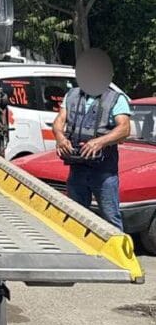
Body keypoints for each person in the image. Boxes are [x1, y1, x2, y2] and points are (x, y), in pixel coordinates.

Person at [51, 49, 130, 230]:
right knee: (76, 217)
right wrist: (60, 138)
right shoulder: (72, 95)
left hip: (104, 171)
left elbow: (124, 128)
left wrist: (99, 142)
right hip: (77, 167)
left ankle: (116, 248)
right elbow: (59, 121)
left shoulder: (116, 99)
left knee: (110, 218)